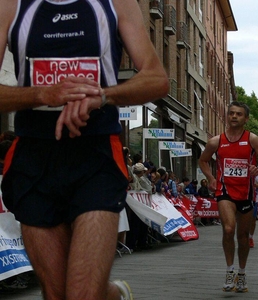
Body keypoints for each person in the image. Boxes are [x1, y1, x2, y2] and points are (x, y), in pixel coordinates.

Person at [0, 1, 168, 299]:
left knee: (82, 295)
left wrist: (103, 95)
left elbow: (157, 79)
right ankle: (113, 295)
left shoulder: (116, 4)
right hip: (35, 156)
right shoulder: (10, 5)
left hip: (96, 155)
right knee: (56, 294)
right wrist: (43, 93)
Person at [198, 101, 258, 293]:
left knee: (242, 237)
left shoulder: (252, 139)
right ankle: (229, 270)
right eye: (231, 113)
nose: (234, 116)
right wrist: (210, 178)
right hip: (225, 191)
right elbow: (203, 160)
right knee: (228, 228)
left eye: (239, 114)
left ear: (245, 119)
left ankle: (241, 273)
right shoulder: (216, 141)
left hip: (246, 193)